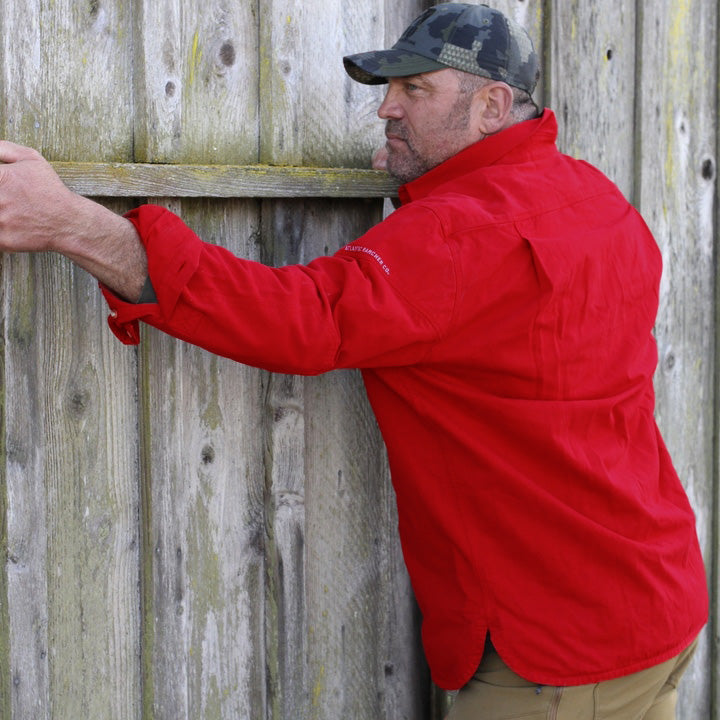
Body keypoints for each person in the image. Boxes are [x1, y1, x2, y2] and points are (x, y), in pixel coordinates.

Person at [0, 4, 708, 719]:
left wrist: (72, 223)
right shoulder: (595, 197)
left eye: (415, 92)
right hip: (658, 601)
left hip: (558, 657)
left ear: (492, 105)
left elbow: (300, 320)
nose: (385, 109)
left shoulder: (457, 234)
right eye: (387, 89)